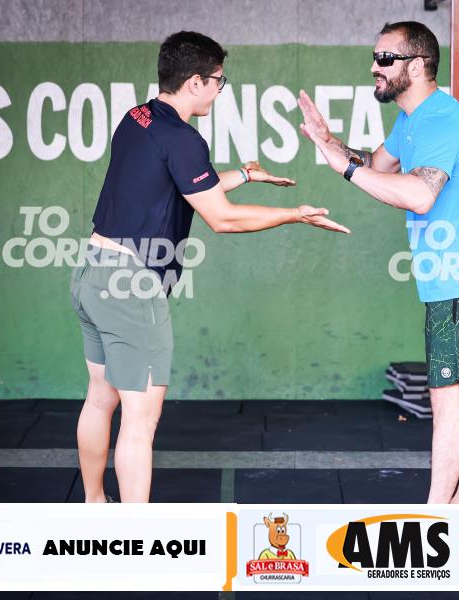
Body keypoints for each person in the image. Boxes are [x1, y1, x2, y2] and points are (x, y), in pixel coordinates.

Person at [70, 31, 349, 503]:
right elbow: (222, 218)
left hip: (92, 272)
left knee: (100, 398)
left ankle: (95, 505)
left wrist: (245, 174)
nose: (220, 90)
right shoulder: (184, 138)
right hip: (132, 286)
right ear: (196, 82)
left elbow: (185, 185)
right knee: (140, 420)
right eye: (219, 81)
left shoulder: (137, 118)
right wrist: (294, 215)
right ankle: (134, 536)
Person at [298, 21, 459, 504]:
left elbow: (419, 195)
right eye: (375, 57)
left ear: (417, 65)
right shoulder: (413, 119)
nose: (375, 66)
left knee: (447, 397)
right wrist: (331, 143)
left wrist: (344, 170)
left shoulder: (439, 121)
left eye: (385, 59)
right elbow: (376, 164)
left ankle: (436, 513)